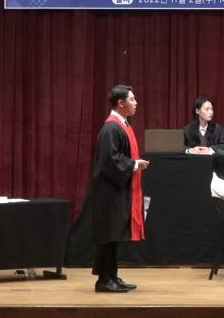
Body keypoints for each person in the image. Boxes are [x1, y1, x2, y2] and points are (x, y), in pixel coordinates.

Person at [78, 84, 150, 293]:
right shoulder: (111, 128)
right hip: (108, 193)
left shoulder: (122, 125)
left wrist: (133, 164)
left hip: (116, 190)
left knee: (114, 236)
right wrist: (134, 164)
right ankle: (103, 280)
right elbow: (109, 160)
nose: (136, 103)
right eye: (132, 99)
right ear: (120, 103)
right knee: (108, 236)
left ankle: (112, 276)